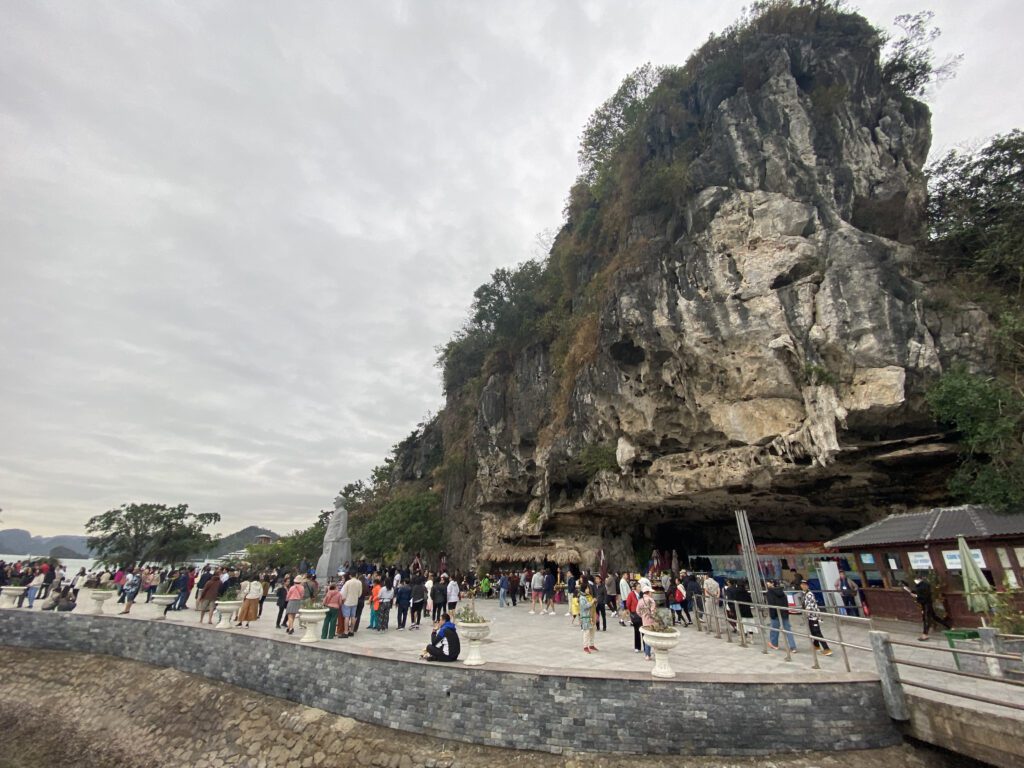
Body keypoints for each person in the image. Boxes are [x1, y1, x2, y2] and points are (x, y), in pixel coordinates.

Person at [906, 576, 952, 641]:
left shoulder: (923, 586)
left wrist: (916, 596)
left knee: (926, 618)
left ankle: (925, 634)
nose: (915, 581)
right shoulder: (921, 585)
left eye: (915, 580)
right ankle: (949, 627)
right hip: (926, 603)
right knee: (934, 617)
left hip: (926, 604)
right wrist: (914, 593)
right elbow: (920, 593)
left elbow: (924, 595)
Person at [799, 580, 832, 655]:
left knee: (817, 632)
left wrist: (805, 612)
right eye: (802, 585)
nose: (803, 586)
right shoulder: (804, 593)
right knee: (813, 632)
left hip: (813, 616)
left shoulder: (809, 594)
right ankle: (816, 645)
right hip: (809, 616)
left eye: (805, 585)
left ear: (808, 586)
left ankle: (826, 648)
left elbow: (810, 606)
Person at [765, 579, 797, 652]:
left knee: (774, 629)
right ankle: (793, 647)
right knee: (788, 629)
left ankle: (774, 644)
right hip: (784, 613)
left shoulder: (769, 592)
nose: (767, 585)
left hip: (775, 614)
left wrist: (772, 614)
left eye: (768, 583)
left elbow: (771, 603)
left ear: (772, 584)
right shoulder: (781, 591)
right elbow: (785, 602)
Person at [637, 584, 658, 661]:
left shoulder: (640, 601)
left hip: (644, 622)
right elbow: (653, 611)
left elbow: (637, 611)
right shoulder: (651, 600)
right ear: (648, 592)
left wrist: (643, 616)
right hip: (652, 622)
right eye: (650, 592)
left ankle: (647, 655)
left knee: (647, 638)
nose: (651, 593)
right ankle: (656, 653)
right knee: (655, 637)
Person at [340, 573, 362, 637]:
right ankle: (351, 631)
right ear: (356, 575)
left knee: (346, 617)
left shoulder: (348, 582)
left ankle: (346, 632)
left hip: (347, 602)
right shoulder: (359, 582)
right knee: (353, 616)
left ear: (350, 576)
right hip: (355, 601)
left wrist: (343, 600)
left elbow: (343, 593)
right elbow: (360, 594)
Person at [624, 581, 643, 653]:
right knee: (637, 631)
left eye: (640, 587)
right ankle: (637, 647)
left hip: (642, 614)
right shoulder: (631, 594)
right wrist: (629, 613)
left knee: (643, 631)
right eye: (638, 587)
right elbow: (628, 604)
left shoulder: (642, 594)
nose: (640, 588)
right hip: (635, 614)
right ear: (635, 588)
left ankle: (645, 647)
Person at [579, 583, 598, 653]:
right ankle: (585, 646)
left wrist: (594, 601)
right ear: (583, 589)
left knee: (593, 630)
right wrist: (592, 601)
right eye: (587, 588)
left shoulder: (589, 596)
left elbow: (593, 605)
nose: (588, 590)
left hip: (592, 616)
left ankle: (591, 644)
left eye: (588, 588)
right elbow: (585, 606)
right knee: (586, 632)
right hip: (585, 617)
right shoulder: (582, 597)